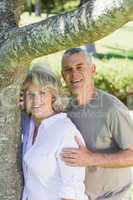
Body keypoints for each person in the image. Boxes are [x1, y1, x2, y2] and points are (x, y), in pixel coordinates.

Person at [60, 47, 133, 200]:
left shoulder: (112, 109)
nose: (74, 75)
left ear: (92, 69)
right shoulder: (67, 109)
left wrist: (91, 159)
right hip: (80, 195)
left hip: (111, 196)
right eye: (68, 70)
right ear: (63, 76)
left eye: (80, 67)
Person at [21, 65, 87, 200]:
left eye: (42, 93)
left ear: (53, 96)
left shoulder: (65, 131)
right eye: (30, 94)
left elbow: (72, 191)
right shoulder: (32, 126)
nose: (36, 101)